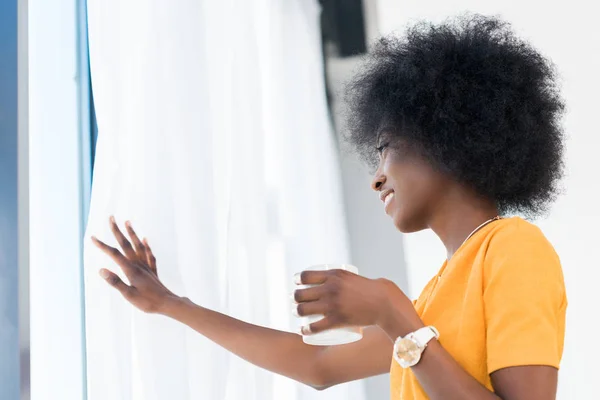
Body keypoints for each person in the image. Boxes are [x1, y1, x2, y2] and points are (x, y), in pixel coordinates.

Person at [92, 13, 567, 400]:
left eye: (387, 146)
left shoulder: (513, 248)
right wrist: (172, 304)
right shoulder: (437, 296)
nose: (377, 174)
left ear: (450, 136)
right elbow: (316, 365)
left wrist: (390, 310)